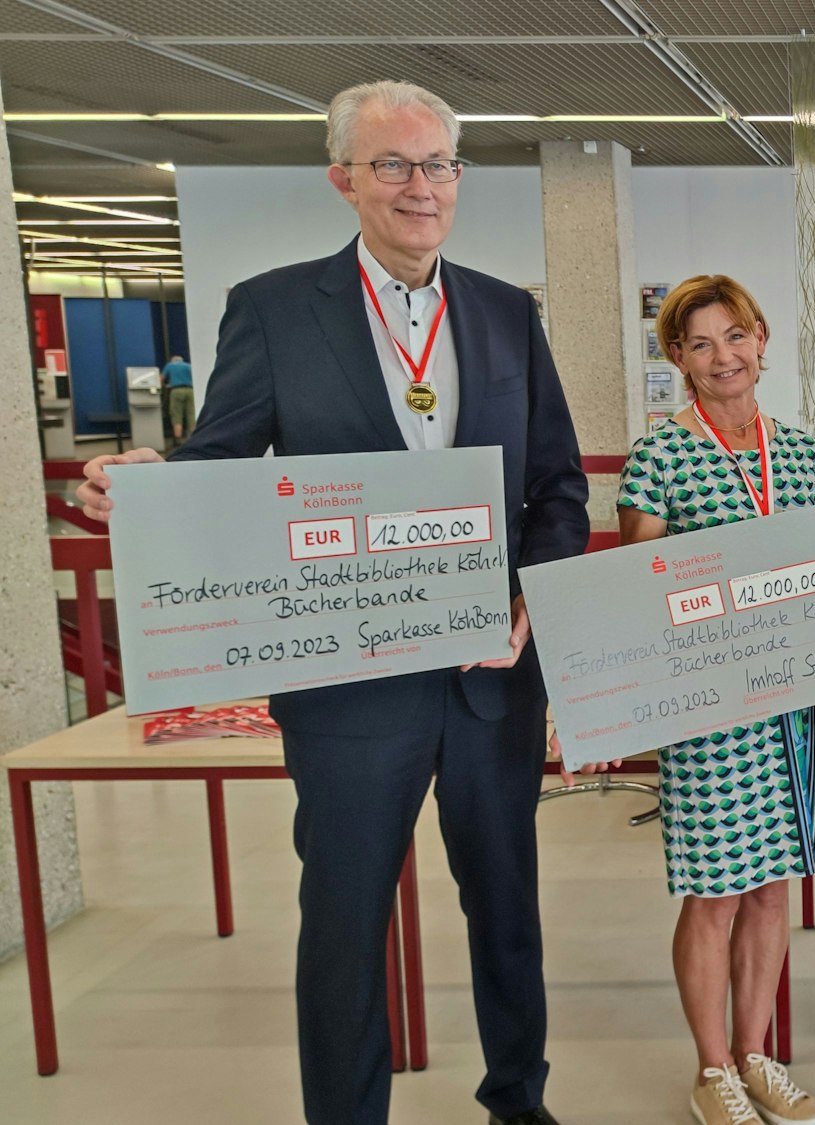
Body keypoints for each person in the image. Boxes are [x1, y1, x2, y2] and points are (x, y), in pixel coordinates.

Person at [74, 81, 588, 1125]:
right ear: (343, 179)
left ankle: (517, 1100)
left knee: (507, 914)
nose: (421, 187)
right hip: (348, 687)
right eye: (393, 164)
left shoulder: (503, 311)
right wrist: (138, 492)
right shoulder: (274, 309)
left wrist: (535, 602)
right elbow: (216, 470)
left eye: (439, 163)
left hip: (490, 679)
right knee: (346, 920)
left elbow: (558, 486)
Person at [594, 275, 815, 1125]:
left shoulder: (801, 450)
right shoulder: (660, 455)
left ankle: (755, 1052)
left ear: (762, 338)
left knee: (772, 884)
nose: (722, 356)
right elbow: (639, 584)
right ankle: (711, 1070)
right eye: (699, 344)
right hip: (707, 706)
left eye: (734, 335)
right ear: (677, 360)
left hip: (791, 704)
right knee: (714, 892)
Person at [161, 353, 194, 445]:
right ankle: (193, 437)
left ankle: (178, 440)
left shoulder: (170, 365)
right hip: (190, 390)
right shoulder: (188, 366)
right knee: (191, 414)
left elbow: (161, 378)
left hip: (176, 391)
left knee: (176, 414)